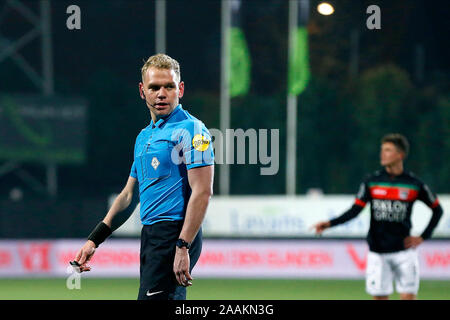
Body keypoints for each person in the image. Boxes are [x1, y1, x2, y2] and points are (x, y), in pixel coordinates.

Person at [73, 53, 215, 300]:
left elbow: (202, 191)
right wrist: (94, 240)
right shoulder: (143, 137)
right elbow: (129, 195)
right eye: (154, 87)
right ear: (142, 91)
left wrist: (183, 246)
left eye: (169, 86)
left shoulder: (192, 129)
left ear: (180, 89)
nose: (162, 93)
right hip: (151, 236)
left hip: (174, 234)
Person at [312, 133, 443, 300]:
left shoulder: (414, 184)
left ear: (400, 155)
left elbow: (438, 210)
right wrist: (330, 223)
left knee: (408, 297)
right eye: (382, 150)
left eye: (388, 150)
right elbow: (355, 210)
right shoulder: (372, 181)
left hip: (404, 252)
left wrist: (424, 236)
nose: (383, 154)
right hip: (378, 252)